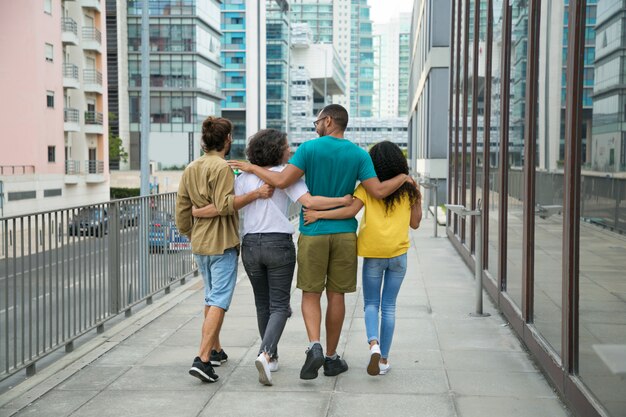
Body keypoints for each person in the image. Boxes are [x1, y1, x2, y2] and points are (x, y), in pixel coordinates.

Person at [228, 104, 413, 380]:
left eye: (317, 121)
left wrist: (251, 166)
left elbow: (280, 181)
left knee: (311, 293)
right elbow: (377, 190)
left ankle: (314, 344)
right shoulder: (359, 154)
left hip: (313, 231)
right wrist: (402, 176)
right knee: (336, 295)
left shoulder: (308, 150)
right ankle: (330, 356)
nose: (315, 126)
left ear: (328, 121)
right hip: (344, 235)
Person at [192, 129, 352, 386]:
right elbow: (309, 202)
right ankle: (265, 354)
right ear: (277, 150)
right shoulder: (286, 175)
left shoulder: (243, 176)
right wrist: (343, 201)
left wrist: (198, 211)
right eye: (287, 146)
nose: (290, 150)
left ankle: (272, 356)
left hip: (251, 246)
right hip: (278, 245)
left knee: (262, 303)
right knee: (280, 306)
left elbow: (227, 203)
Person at [303, 140, 422, 376]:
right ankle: (384, 359)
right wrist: (416, 194)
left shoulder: (367, 188)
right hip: (398, 255)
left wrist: (317, 214)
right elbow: (415, 223)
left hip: (373, 254)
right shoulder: (410, 189)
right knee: (389, 306)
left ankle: (373, 343)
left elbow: (348, 211)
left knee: (371, 304)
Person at [176, 116, 274, 383]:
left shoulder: (191, 167)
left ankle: (216, 351)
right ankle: (203, 358)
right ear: (227, 140)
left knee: (211, 297)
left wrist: (192, 231)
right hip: (222, 244)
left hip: (200, 244)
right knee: (219, 299)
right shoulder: (222, 168)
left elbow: (182, 212)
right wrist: (255, 194)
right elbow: (224, 204)